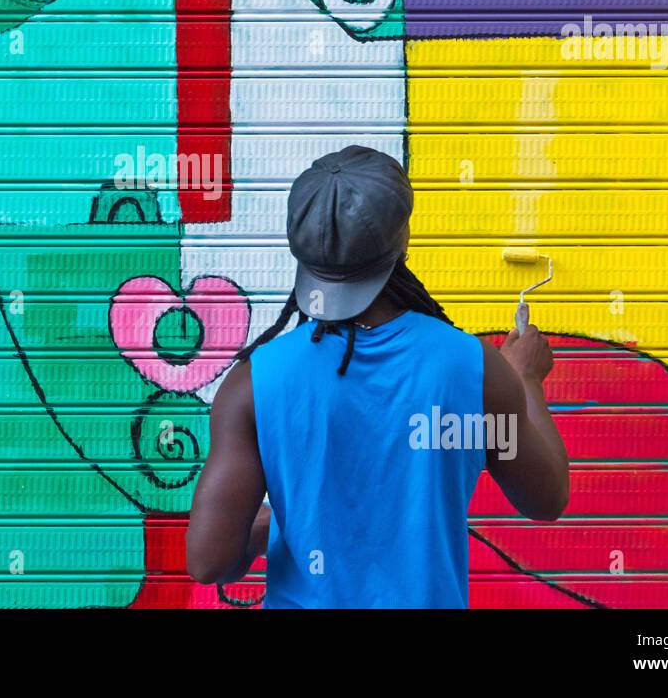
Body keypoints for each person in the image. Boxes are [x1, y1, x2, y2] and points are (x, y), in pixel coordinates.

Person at [186, 146, 570, 607]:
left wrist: (273, 523)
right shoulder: (474, 368)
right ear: (403, 239)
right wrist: (525, 379)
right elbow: (546, 500)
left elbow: (209, 561)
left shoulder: (253, 384)